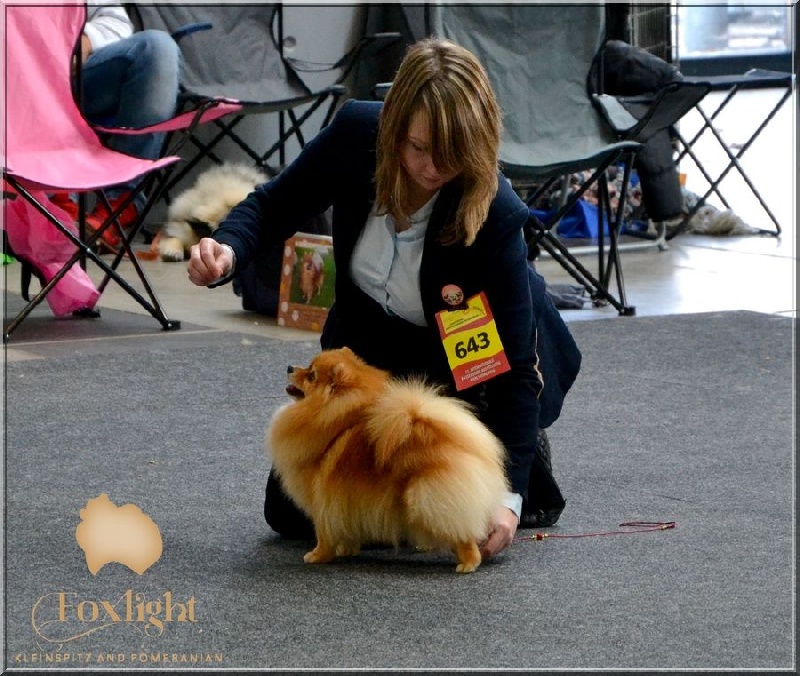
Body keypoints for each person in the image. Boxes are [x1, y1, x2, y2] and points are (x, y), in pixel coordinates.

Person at [187, 38, 582, 560]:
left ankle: (510, 454)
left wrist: (506, 499)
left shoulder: (497, 215)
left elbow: (505, 368)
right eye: (418, 148)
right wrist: (228, 252)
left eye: (452, 154)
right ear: (394, 128)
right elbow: (273, 204)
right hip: (369, 346)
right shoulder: (355, 135)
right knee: (293, 512)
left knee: (457, 509)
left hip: (466, 367)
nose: (433, 168)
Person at [52, 2, 182, 250]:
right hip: (18, 81)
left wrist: (86, 39)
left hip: (78, 72)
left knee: (158, 48)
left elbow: (115, 20)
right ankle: (52, 202)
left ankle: (117, 207)